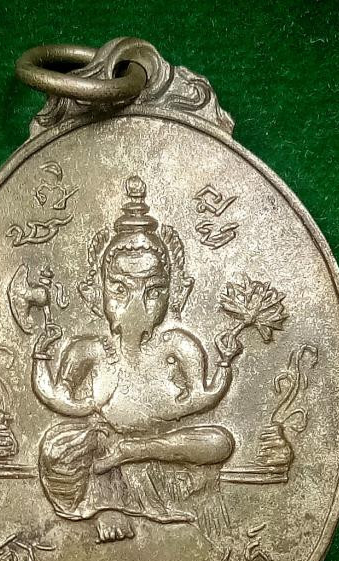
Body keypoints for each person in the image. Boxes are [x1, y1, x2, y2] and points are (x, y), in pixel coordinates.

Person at [32, 176, 241, 541]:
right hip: (103, 446)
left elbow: (203, 398)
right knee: (55, 447)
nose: (136, 306)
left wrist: (224, 363)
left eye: (154, 290)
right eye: (119, 288)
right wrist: (40, 355)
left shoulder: (178, 346)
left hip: (162, 445)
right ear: (94, 292)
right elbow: (58, 397)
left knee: (220, 441)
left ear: (177, 293)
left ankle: (134, 452)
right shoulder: (88, 350)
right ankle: (106, 503)